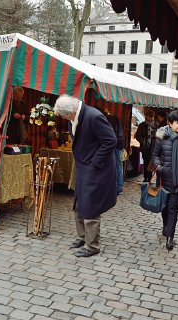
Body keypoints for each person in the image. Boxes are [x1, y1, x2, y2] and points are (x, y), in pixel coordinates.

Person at [53, 95, 117, 258]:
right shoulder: (73, 118)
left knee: (90, 204)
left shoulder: (93, 116)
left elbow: (110, 140)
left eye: (62, 115)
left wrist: (94, 163)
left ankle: (93, 246)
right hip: (83, 166)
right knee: (78, 201)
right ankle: (83, 237)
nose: (62, 118)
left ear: (70, 112)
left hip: (95, 168)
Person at [151, 110, 178, 250]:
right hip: (163, 178)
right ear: (170, 123)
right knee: (164, 206)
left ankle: (170, 236)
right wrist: (160, 167)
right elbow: (155, 156)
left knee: (173, 207)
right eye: (177, 122)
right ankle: (166, 226)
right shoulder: (162, 137)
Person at [104, 110, 125, 195]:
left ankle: (118, 188)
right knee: (117, 166)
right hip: (117, 144)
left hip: (115, 145)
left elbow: (112, 134)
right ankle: (118, 187)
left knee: (117, 166)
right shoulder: (113, 118)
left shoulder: (110, 119)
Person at [135, 110, 157, 182]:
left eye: (152, 117)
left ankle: (149, 178)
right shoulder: (142, 125)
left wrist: (154, 136)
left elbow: (158, 135)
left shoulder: (156, 125)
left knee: (151, 163)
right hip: (145, 147)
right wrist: (143, 141)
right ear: (146, 117)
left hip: (153, 147)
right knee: (146, 162)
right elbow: (138, 136)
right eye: (150, 117)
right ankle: (145, 177)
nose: (151, 119)